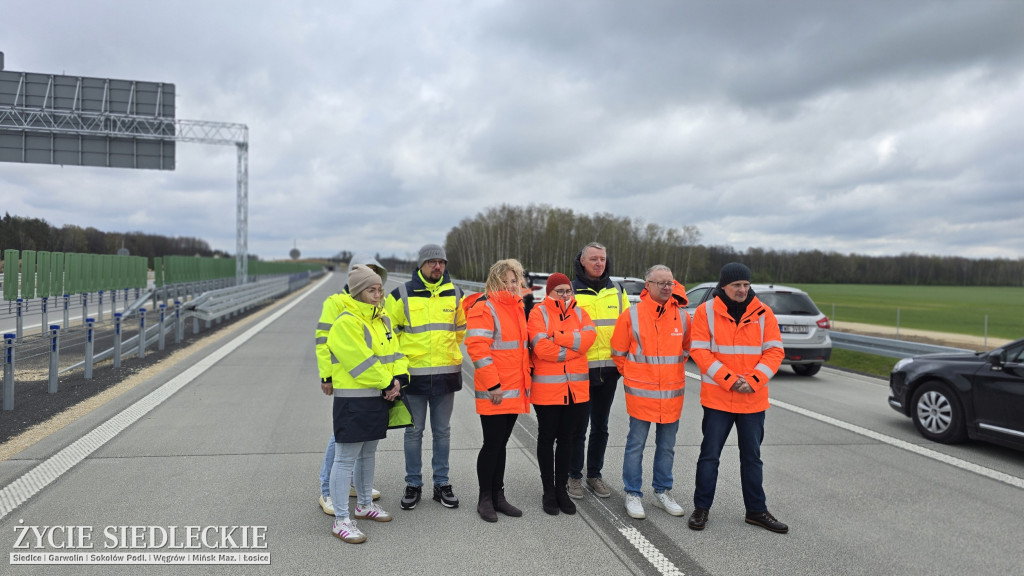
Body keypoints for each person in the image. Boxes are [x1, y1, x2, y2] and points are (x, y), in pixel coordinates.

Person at [688, 262, 788, 534]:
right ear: (724, 286)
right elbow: (700, 351)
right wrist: (731, 380)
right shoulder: (705, 312)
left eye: (746, 284)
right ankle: (701, 508)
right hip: (719, 398)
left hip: (752, 399)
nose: (742, 290)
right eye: (736, 285)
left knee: (752, 458)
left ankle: (756, 511)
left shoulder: (764, 313)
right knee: (709, 456)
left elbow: (775, 352)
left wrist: (753, 380)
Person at [327, 265, 412, 544]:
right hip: (353, 402)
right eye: (371, 290)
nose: (378, 294)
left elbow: (396, 352)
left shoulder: (383, 320)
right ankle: (341, 519)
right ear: (358, 292)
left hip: (378, 399)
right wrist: (388, 383)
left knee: (367, 455)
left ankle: (364, 505)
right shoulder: (346, 322)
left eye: (379, 289)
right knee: (345, 459)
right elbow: (360, 362)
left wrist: (399, 378)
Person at [385, 244, 466, 510]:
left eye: (441, 262)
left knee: (442, 433)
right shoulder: (401, 295)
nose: (438, 267)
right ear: (421, 265)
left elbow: (460, 330)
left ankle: (442, 484)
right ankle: (413, 484)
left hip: (445, 377)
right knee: (413, 432)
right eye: (432, 262)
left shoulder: (455, 293)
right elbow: (389, 336)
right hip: (413, 378)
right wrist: (398, 369)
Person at [611, 265, 691, 519]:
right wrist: (635, 376)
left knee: (667, 447)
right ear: (648, 285)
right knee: (636, 445)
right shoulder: (632, 315)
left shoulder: (683, 317)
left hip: (671, 395)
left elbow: (686, 351)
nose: (667, 287)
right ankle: (633, 493)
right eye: (661, 283)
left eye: (670, 283)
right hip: (641, 396)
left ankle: (662, 491)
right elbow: (618, 352)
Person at [315, 255, 385, 517]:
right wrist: (326, 376)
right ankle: (327, 490)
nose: (376, 290)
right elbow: (323, 339)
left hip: (371, 385)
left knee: (362, 441)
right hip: (348, 382)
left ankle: (354, 487)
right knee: (341, 438)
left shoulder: (377, 301)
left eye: (376, 274)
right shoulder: (336, 304)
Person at [464, 259, 532, 522]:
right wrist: (493, 384)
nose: (511, 284)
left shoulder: (516, 306)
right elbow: (478, 349)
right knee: (492, 444)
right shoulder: (485, 307)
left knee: (501, 444)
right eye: (506, 280)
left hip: (515, 388)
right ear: (494, 280)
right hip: (495, 390)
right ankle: (485, 499)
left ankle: (499, 496)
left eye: (514, 280)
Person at [528, 273, 596, 515]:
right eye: (560, 291)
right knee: (547, 438)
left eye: (568, 290)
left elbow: (589, 339)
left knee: (567, 439)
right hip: (547, 390)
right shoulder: (538, 313)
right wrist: (573, 350)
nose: (566, 295)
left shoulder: (581, 312)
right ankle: (548, 490)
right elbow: (541, 347)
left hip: (575, 390)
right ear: (550, 292)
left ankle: (561, 489)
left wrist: (558, 337)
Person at [568, 242, 630, 499]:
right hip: (579, 371)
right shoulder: (570, 291)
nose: (599, 263)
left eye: (602, 259)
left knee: (601, 427)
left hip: (609, 371)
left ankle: (594, 475)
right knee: (577, 427)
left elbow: (628, 328)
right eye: (593, 258)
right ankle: (573, 476)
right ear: (582, 261)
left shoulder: (618, 290)